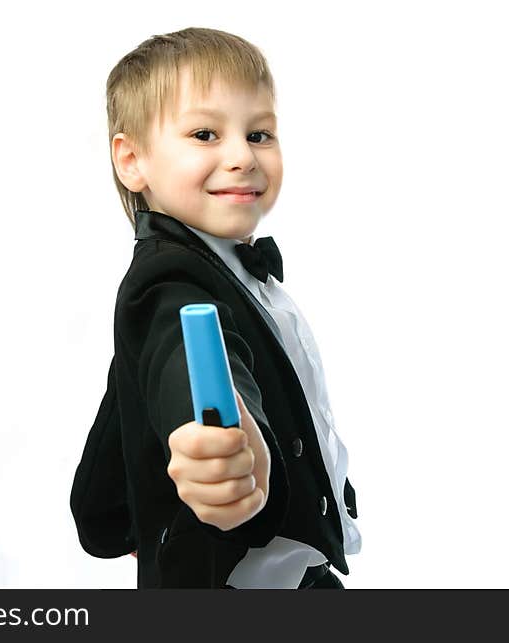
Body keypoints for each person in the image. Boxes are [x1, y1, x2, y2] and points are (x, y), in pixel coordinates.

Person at [70, 27, 361, 589]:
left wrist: (111, 518)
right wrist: (224, 444)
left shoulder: (223, 268)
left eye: (259, 134)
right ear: (132, 161)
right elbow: (184, 358)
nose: (241, 157)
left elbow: (132, 393)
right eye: (205, 133)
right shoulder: (169, 282)